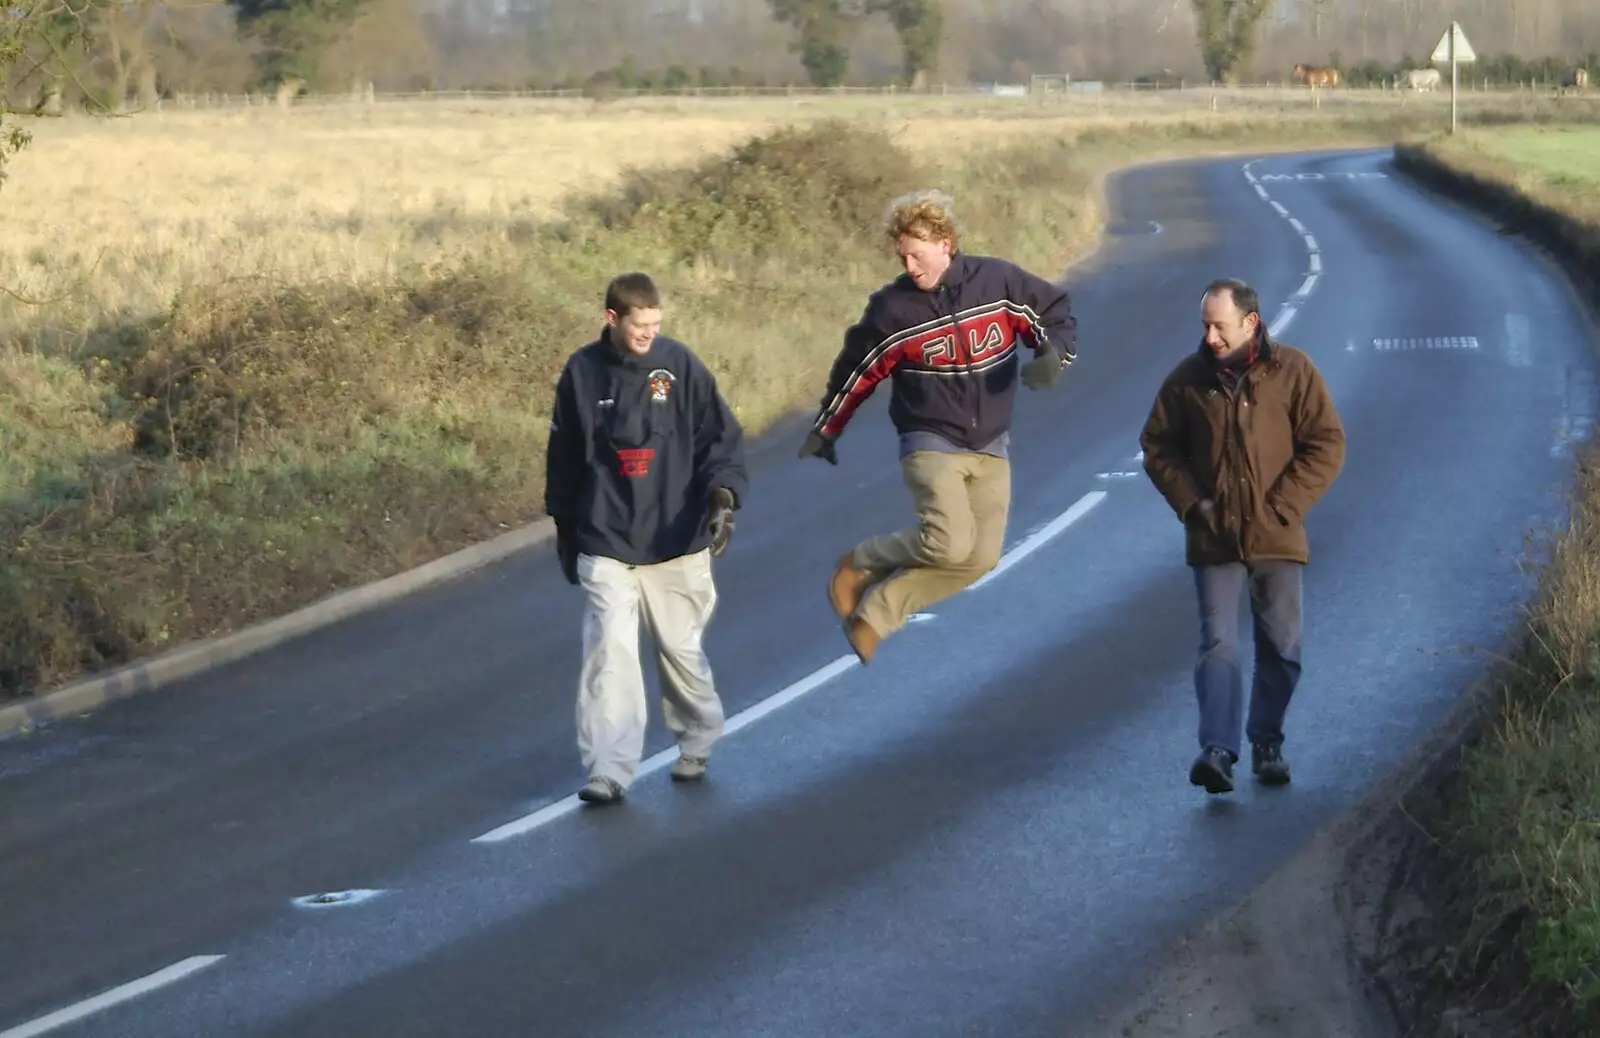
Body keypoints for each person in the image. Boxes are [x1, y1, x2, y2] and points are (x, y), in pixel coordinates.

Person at [798, 188, 1077, 664]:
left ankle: (876, 615)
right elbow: (857, 371)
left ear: (945, 242)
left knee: (979, 559)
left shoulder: (999, 283)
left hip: (991, 441)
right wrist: (828, 427)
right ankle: (860, 563)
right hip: (929, 440)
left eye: (917, 254)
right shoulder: (893, 311)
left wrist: (1054, 357)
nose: (909, 267)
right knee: (947, 542)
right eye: (902, 257)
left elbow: (1053, 315)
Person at [544, 272, 748, 805]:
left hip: (676, 537)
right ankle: (608, 770)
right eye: (640, 326)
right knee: (609, 655)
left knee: (680, 653)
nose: (648, 335)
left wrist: (723, 497)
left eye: (656, 325)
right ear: (613, 318)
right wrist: (566, 528)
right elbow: (563, 458)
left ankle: (698, 739)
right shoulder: (582, 373)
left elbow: (719, 438)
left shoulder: (679, 367)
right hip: (606, 536)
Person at [1139, 277, 1346, 795]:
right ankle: (1218, 751)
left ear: (1250, 322)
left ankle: (1266, 741)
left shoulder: (1293, 371)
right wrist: (1194, 503)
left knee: (1282, 646)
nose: (1209, 336)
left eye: (1219, 326)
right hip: (1214, 539)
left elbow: (1326, 444)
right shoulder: (1188, 380)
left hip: (1277, 535)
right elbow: (1157, 446)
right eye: (1205, 325)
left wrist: (1283, 506)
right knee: (1219, 646)